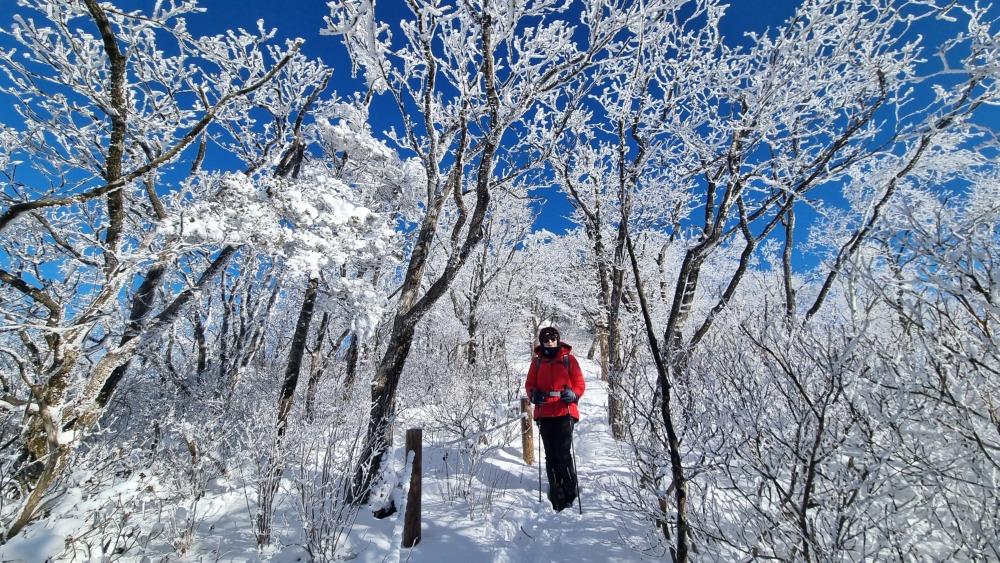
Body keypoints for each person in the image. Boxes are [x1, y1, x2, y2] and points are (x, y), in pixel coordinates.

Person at [526, 326, 585, 512]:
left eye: (552, 339)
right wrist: (533, 395)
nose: (549, 342)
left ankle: (570, 490)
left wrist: (573, 394)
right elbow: (530, 384)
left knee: (563, 453)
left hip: (565, 411)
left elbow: (580, 383)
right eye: (546, 339)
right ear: (541, 341)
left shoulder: (569, 359)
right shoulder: (536, 362)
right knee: (550, 455)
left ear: (558, 339)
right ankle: (556, 493)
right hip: (544, 413)